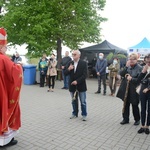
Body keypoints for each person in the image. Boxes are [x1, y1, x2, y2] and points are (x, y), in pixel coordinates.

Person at [0, 28, 23, 147]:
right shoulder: (3, 58)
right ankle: (3, 141)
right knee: (3, 112)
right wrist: (19, 65)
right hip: (2, 92)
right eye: (5, 47)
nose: (6, 49)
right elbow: (14, 72)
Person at [117, 53, 142, 125]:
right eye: (130, 59)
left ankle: (137, 119)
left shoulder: (140, 68)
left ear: (136, 60)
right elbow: (121, 74)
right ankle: (125, 119)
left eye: (133, 59)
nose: (131, 61)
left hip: (134, 89)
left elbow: (140, 79)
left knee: (134, 105)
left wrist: (132, 79)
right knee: (126, 104)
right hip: (126, 88)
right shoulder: (128, 67)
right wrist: (126, 66)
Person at [65, 50, 88, 121]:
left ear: (79, 55)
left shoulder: (83, 63)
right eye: (72, 54)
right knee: (73, 100)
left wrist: (77, 81)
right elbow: (65, 73)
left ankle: (84, 114)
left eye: (75, 54)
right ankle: (74, 113)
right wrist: (69, 69)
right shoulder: (70, 63)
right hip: (72, 85)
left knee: (83, 101)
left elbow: (85, 75)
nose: (73, 56)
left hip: (81, 85)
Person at [137, 54, 150, 134]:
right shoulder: (144, 68)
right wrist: (143, 72)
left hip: (148, 90)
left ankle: (147, 126)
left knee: (149, 110)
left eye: (149, 59)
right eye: (147, 59)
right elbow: (139, 80)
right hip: (143, 90)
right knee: (143, 108)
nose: (148, 61)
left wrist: (148, 88)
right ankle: (142, 125)